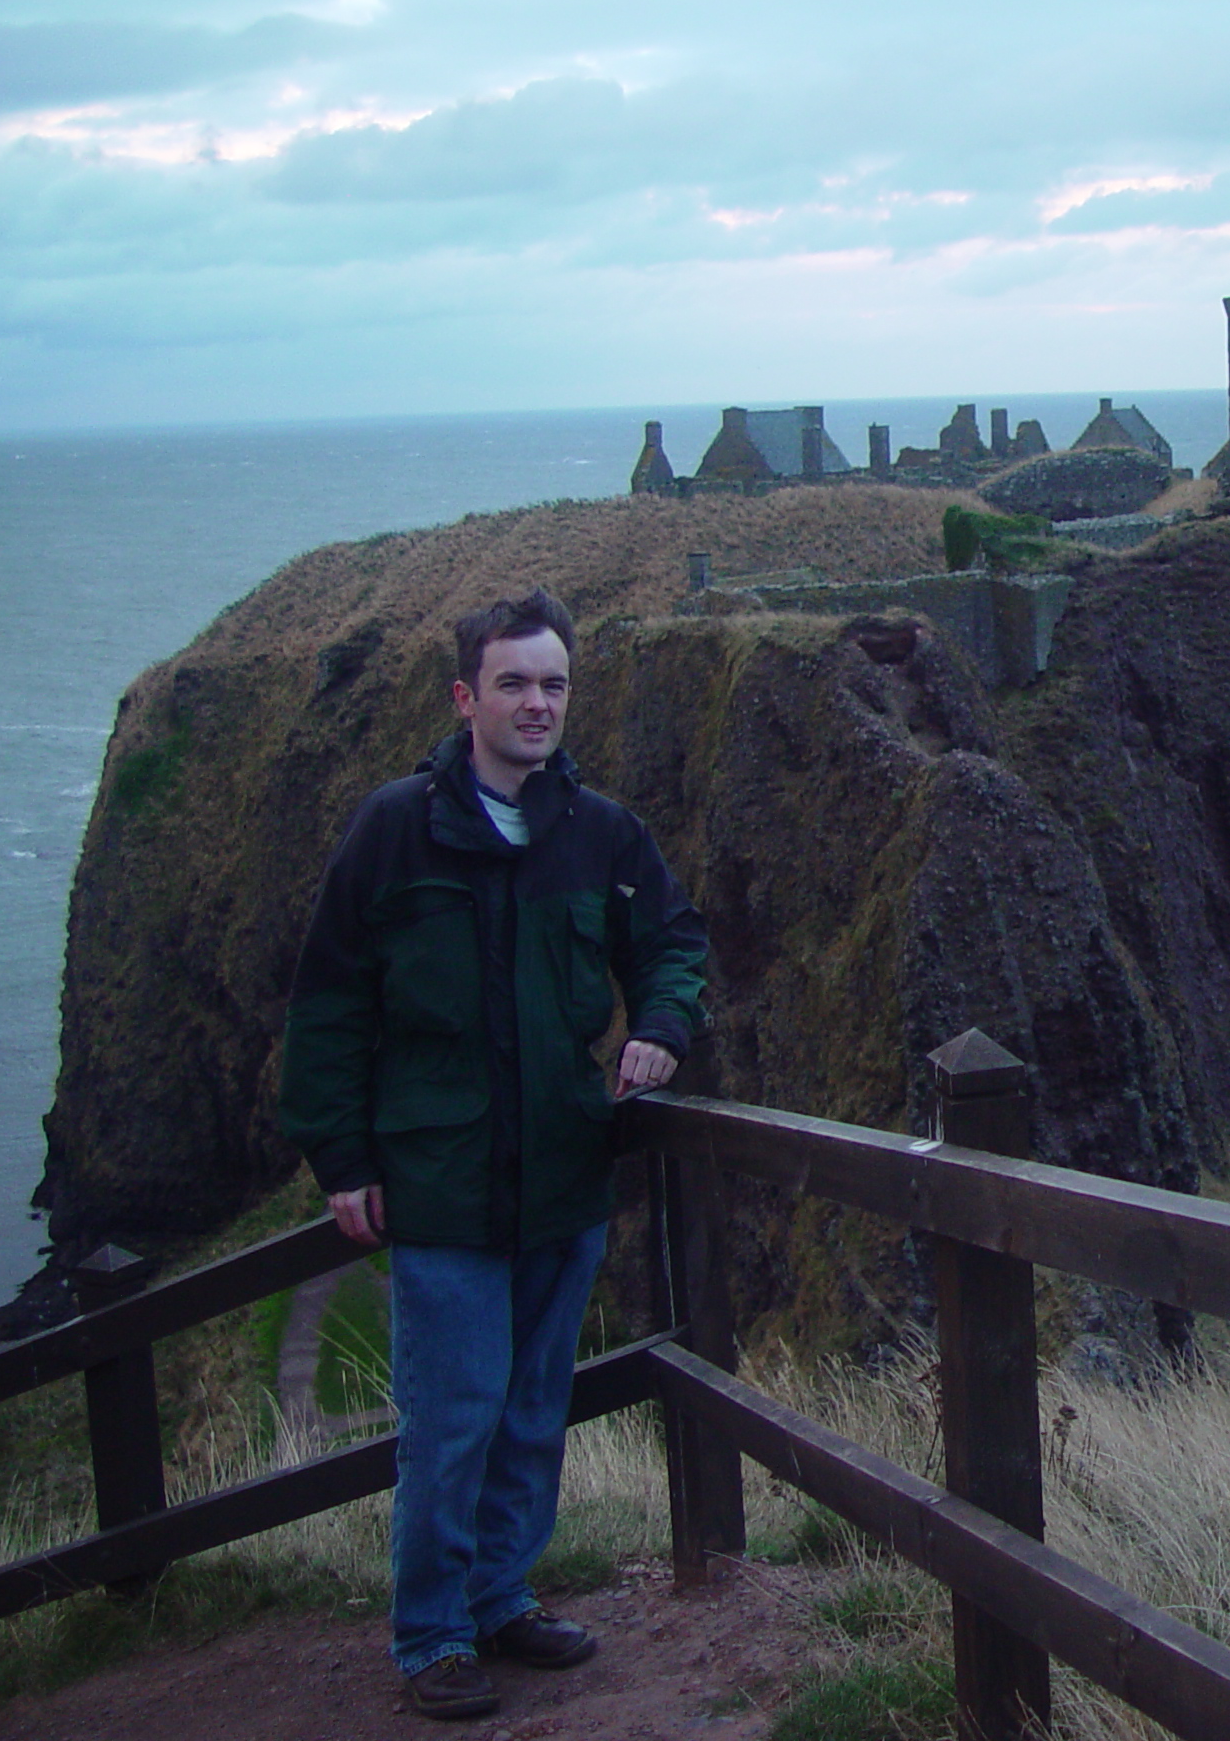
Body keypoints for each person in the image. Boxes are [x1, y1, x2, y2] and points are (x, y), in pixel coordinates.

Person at [278, 588, 708, 1721]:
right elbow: (327, 1007)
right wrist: (343, 1158)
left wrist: (660, 1028)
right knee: (454, 1413)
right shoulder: (394, 828)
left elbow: (672, 942)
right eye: (513, 682)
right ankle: (431, 1637)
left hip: (564, 1174)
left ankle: (502, 1595)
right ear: (467, 696)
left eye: (553, 683)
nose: (535, 702)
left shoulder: (601, 835)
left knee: (531, 1408)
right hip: (440, 1182)